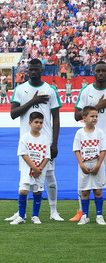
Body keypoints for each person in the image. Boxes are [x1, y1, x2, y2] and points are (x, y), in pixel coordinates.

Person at [71, 61, 106, 222]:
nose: (101, 73)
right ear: (94, 72)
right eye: (98, 71)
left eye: (104, 71)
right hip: (87, 141)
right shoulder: (86, 91)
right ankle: (81, 211)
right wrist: (97, 106)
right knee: (83, 176)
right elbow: (77, 116)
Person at [8, 59, 63, 222]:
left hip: (45, 142)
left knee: (50, 175)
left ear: (42, 70)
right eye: (30, 69)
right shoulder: (20, 89)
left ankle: (53, 211)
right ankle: (21, 213)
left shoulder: (50, 90)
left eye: (36, 69)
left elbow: (56, 118)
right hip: (26, 142)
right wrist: (33, 101)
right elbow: (13, 113)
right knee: (24, 176)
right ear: (28, 70)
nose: (33, 71)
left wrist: (55, 143)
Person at [10, 112, 50, 225]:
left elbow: (47, 156)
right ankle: (21, 216)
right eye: (36, 122)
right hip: (27, 170)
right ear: (30, 123)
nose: (38, 125)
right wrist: (34, 168)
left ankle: (35, 216)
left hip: (40, 171)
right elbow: (23, 154)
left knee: (37, 191)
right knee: (23, 190)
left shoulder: (45, 139)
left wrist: (40, 168)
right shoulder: (25, 137)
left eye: (41, 123)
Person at [72, 106, 106, 226]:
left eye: (96, 116)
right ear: (84, 118)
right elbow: (77, 150)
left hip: (97, 164)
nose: (95, 118)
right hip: (85, 165)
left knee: (98, 190)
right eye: (92, 116)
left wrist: (98, 165)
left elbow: (103, 150)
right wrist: (81, 165)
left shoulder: (100, 132)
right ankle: (85, 215)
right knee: (85, 192)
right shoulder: (79, 133)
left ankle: (99, 215)